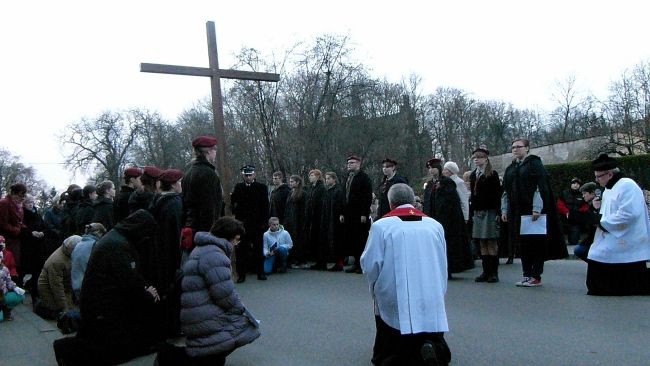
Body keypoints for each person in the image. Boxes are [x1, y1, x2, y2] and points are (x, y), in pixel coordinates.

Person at [54, 210, 161, 366]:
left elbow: (129, 277)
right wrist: (147, 293)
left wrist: (145, 288)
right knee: (110, 353)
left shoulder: (116, 239)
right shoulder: (118, 245)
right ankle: (66, 350)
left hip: (100, 305)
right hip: (104, 309)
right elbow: (128, 282)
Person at [361, 183, 451, 365]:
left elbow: (371, 264)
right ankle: (431, 345)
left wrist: (374, 287)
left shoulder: (382, 226)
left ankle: (396, 355)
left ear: (391, 203)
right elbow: (443, 261)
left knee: (393, 334)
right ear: (412, 201)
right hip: (430, 288)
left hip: (396, 292)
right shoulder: (434, 225)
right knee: (427, 320)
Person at [178, 217, 260, 366]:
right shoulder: (215, 255)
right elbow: (224, 294)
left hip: (195, 311)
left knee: (212, 348)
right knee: (245, 326)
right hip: (203, 315)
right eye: (236, 239)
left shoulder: (205, 248)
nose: (236, 244)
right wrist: (241, 309)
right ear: (227, 237)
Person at [501, 138, 567, 287]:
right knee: (522, 244)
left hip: (532, 212)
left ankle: (536, 275)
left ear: (527, 148)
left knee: (535, 244)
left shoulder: (534, 164)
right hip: (516, 211)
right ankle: (526, 274)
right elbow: (506, 190)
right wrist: (504, 209)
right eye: (513, 147)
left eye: (518, 147)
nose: (515, 149)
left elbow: (540, 187)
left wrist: (536, 208)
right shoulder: (511, 168)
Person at [585, 154, 650, 296]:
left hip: (627, 235)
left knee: (601, 253)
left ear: (609, 174)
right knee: (596, 253)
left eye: (598, 176)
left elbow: (629, 214)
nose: (596, 180)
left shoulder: (627, 185)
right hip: (613, 232)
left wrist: (602, 223)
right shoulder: (609, 188)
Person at [423, 158, 473, 277]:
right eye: (429, 168)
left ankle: (449, 268)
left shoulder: (447, 182)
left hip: (447, 219)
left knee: (448, 244)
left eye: (433, 168)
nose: (431, 170)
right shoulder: (430, 184)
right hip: (433, 218)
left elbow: (453, 201)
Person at [150, 168, 184, 337]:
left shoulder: (158, 202)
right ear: (172, 185)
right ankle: (174, 329)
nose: (181, 185)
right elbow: (175, 234)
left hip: (160, 255)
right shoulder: (174, 204)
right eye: (179, 182)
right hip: (171, 256)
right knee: (174, 294)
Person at [469, 148, 502, 283]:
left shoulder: (492, 174)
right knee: (482, 241)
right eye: (475, 158)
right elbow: (473, 195)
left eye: (480, 157)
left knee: (491, 241)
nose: (477, 159)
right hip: (478, 212)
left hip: (489, 211)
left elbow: (497, 195)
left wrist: (498, 212)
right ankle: (485, 271)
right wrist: (472, 212)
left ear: (486, 159)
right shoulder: (473, 175)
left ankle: (493, 272)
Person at [231, 164, 269, 281]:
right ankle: (241, 275)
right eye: (246, 175)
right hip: (242, 224)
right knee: (241, 250)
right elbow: (233, 203)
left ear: (254, 175)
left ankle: (260, 272)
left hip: (257, 224)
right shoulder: (238, 187)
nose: (248, 177)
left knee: (258, 249)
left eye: (250, 175)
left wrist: (264, 222)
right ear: (243, 176)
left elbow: (265, 206)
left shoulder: (261, 187)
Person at [181, 136, 223, 235]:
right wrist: (210, 233)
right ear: (208, 151)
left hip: (190, 228)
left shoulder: (189, 173)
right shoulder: (207, 174)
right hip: (204, 232)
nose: (215, 153)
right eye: (215, 149)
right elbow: (208, 208)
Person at [34, 235, 82, 320]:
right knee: (60, 314)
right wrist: (64, 307)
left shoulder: (67, 252)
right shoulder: (57, 261)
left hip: (64, 286)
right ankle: (42, 306)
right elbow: (56, 286)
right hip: (49, 289)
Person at [343, 155, 373, 274]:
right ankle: (356, 263)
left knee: (361, 239)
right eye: (348, 163)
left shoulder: (364, 178)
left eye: (352, 162)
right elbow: (345, 196)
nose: (349, 165)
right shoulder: (348, 177)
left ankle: (362, 265)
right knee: (352, 239)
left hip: (360, 213)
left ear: (358, 164)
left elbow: (366, 196)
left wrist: (364, 213)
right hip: (349, 214)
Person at [19, 194, 46, 300]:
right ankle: (20, 290)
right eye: (28, 202)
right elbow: (21, 229)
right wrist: (31, 233)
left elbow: (45, 227)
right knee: (23, 269)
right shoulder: (21, 215)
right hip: (26, 247)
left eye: (32, 202)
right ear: (24, 204)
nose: (31, 204)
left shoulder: (38, 215)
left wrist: (42, 233)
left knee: (37, 271)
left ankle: (35, 292)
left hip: (38, 247)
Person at [71, 223, 107, 298]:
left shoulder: (78, 244)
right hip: (87, 288)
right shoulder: (95, 245)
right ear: (98, 232)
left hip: (76, 286)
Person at [0, 183, 27, 277]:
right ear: (14, 193)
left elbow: (19, 221)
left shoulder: (18, 205)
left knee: (15, 265)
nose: (22, 198)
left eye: (24, 196)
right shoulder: (4, 203)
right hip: (7, 240)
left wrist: (26, 230)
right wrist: (17, 230)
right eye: (21, 195)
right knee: (7, 265)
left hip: (16, 240)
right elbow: (3, 223)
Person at [321, 172, 346, 271]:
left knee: (337, 240)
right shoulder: (328, 191)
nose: (326, 180)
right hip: (328, 218)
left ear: (334, 179)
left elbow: (341, 203)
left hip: (335, 219)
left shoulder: (338, 191)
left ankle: (339, 263)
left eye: (328, 178)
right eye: (326, 179)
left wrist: (341, 214)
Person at [570, 182, 600, 261]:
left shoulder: (596, 205)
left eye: (584, 193)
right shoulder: (590, 205)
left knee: (579, 250)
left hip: (598, 239)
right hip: (593, 239)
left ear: (592, 193)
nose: (583, 196)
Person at [304, 169, 326, 270]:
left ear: (317, 176)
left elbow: (320, 203)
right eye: (310, 175)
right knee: (314, 238)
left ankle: (321, 262)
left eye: (312, 175)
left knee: (319, 239)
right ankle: (317, 261)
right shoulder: (312, 188)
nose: (310, 177)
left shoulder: (321, 187)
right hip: (312, 216)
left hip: (318, 216)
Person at [284, 175, 307, 268]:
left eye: (292, 181)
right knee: (291, 240)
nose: (291, 183)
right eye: (290, 181)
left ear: (298, 182)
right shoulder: (290, 193)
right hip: (290, 220)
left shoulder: (303, 193)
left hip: (299, 221)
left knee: (299, 241)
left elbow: (304, 209)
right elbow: (287, 208)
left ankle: (301, 260)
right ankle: (293, 259)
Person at [556, 177, 586, 246]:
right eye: (574, 183)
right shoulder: (564, 193)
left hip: (575, 221)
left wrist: (578, 213)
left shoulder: (583, 194)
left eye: (578, 184)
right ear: (571, 184)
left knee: (574, 242)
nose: (576, 185)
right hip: (563, 219)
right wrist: (566, 212)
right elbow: (559, 204)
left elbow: (585, 205)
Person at [1, 250, 26, 321]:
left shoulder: (4, 269)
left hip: (3, 295)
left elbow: (9, 281)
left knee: (20, 296)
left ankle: (6, 311)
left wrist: (15, 287)